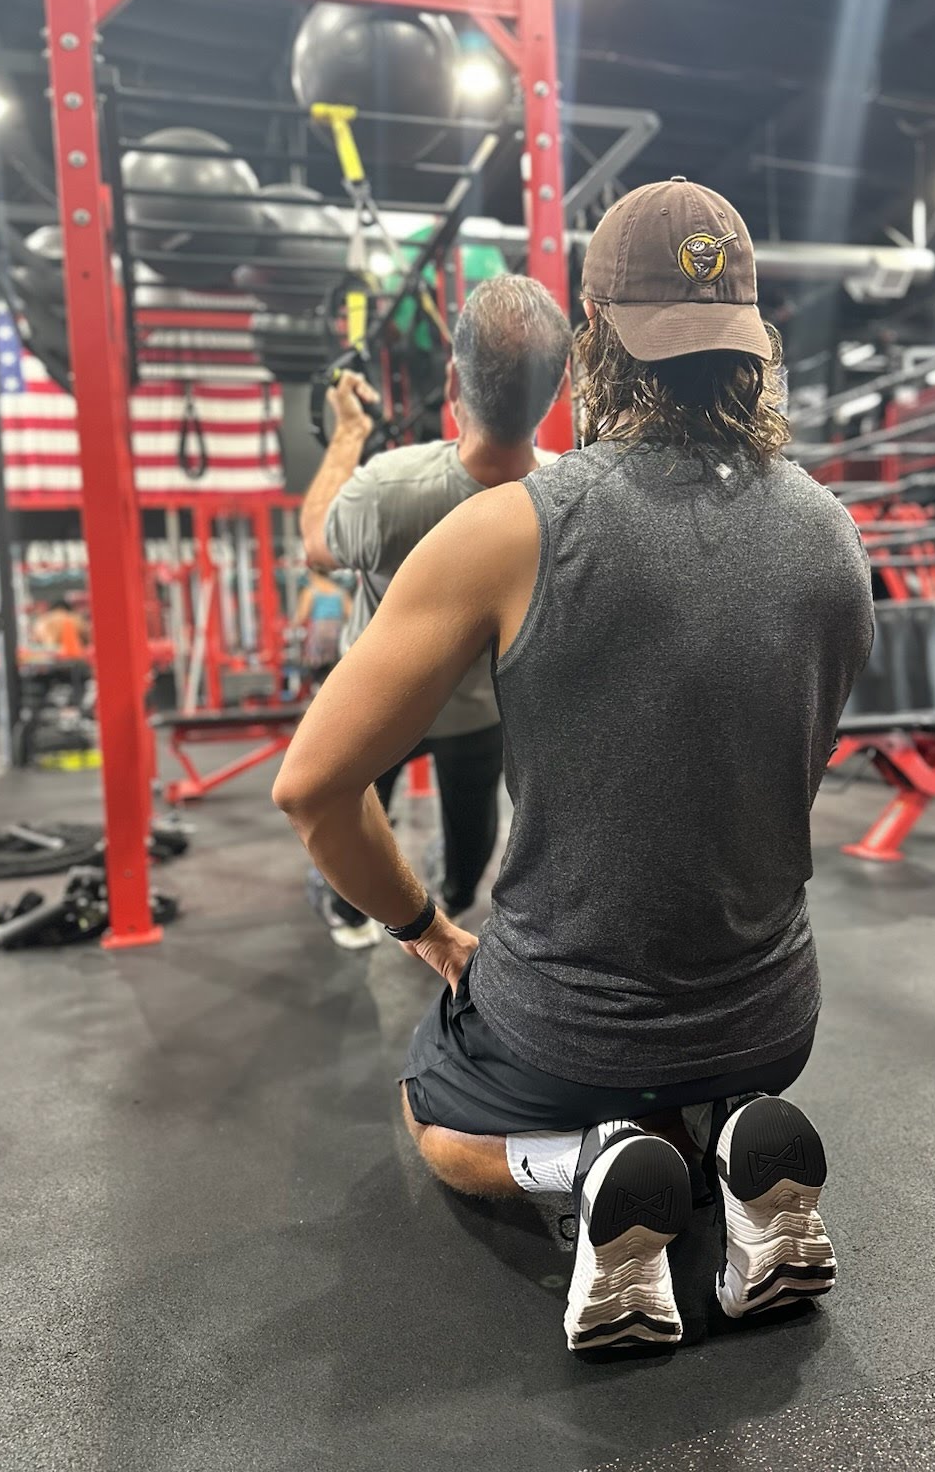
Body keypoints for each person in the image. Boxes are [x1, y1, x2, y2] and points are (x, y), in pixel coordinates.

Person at [274, 178, 874, 1353]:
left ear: (595, 338)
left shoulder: (511, 525)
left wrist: (427, 932)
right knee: (697, 1059)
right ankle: (730, 1139)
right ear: (752, 345)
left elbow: (312, 788)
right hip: (773, 1018)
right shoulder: (835, 538)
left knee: (431, 1106)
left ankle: (591, 1158)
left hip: (566, 1031)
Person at [296, 274, 572, 948]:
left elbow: (315, 543)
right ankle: (435, 904)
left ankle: (361, 910)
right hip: (480, 715)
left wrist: (348, 434)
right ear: (560, 389)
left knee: (348, 818)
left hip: (379, 703)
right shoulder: (570, 499)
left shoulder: (385, 488)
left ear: (453, 382)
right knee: (470, 863)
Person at [293, 571, 351, 680]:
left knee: (317, 670)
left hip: (319, 633)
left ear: (313, 574)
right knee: (335, 669)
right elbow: (350, 613)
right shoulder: (340, 591)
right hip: (337, 632)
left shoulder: (311, 591)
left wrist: (293, 625)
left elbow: (302, 615)